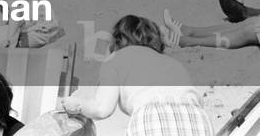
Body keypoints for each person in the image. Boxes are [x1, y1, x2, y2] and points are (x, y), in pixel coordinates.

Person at [62, 15, 213, 136]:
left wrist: (77, 105)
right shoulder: (171, 62)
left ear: (116, 40)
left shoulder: (116, 59)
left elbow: (102, 108)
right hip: (199, 120)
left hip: (153, 119)